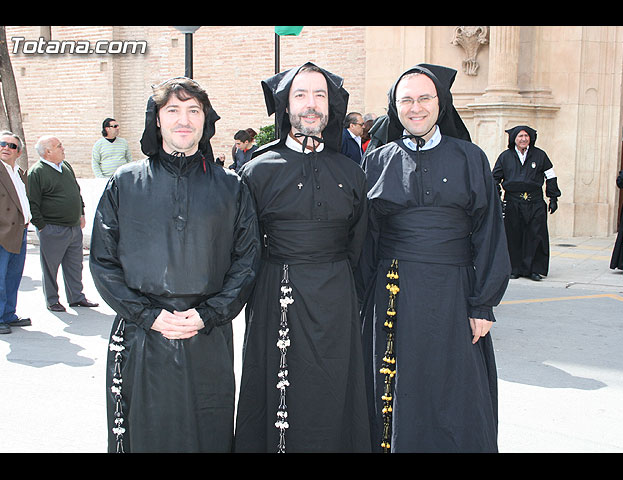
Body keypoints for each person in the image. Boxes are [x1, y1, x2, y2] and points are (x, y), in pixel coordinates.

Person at [89, 77, 260, 453]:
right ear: (158, 120)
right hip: (142, 335)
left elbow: (246, 261)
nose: (184, 120)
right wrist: (147, 315)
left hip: (207, 336)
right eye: (173, 110)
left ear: (205, 121)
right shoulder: (125, 183)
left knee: (208, 432)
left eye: (193, 111)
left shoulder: (232, 186)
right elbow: (103, 261)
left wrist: (209, 313)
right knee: (146, 435)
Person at [357, 64, 510, 453]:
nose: (416, 107)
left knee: (455, 389)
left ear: (441, 104)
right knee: (399, 385)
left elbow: (490, 232)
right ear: (395, 107)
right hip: (393, 293)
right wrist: (357, 302)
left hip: (455, 293)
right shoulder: (376, 160)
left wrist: (483, 302)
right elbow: (366, 239)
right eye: (406, 99)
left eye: (425, 98)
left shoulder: (470, 157)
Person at [234, 62, 370, 453]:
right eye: (301, 95)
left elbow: (359, 240)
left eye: (319, 95)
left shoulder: (351, 170)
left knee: (333, 386)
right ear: (285, 106)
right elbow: (244, 246)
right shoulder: (257, 170)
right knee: (279, 389)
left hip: (337, 297)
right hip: (277, 294)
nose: (311, 104)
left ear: (331, 107)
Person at [27, 136, 98, 313]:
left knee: (75, 265)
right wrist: (41, 226)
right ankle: (52, 300)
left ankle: (77, 297)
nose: (63, 148)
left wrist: (81, 212)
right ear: (47, 152)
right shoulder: (37, 172)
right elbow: (32, 202)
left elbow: (76, 191)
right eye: (59, 146)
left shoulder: (65, 166)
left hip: (73, 226)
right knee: (51, 267)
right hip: (52, 228)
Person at [492, 125, 561, 280]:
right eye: (520, 136)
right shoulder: (505, 157)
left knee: (535, 235)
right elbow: (494, 178)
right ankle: (514, 268)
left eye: (526, 136)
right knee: (513, 235)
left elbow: (550, 176)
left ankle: (534, 269)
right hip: (513, 202)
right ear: (514, 139)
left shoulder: (540, 155)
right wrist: (496, 197)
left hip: (535, 201)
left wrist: (553, 197)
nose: (523, 139)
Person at [0, 132, 31, 334]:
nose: (6, 148)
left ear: (18, 152)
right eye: (2, 144)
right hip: (3, 231)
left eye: (11, 146)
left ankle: (8, 314)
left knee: (13, 275)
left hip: (21, 229)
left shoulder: (19, 172)